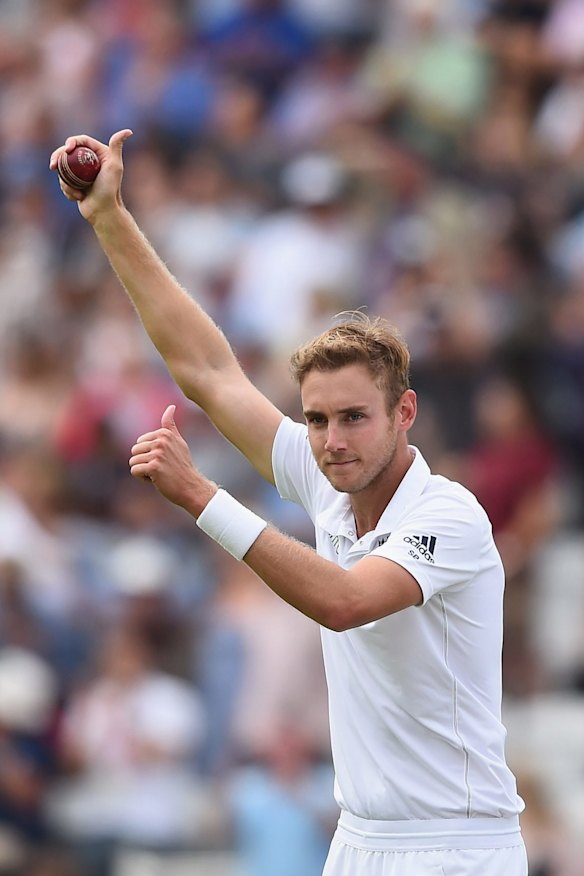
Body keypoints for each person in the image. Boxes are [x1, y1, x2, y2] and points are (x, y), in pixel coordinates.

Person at [50, 130, 528, 876]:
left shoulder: (450, 515)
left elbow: (342, 601)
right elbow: (207, 369)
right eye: (316, 419)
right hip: (357, 839)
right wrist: (109, 214)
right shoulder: (327, 483)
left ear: (404, 413)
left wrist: (202, 497)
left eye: (353, 417)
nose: (331, 440)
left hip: (454, 847)